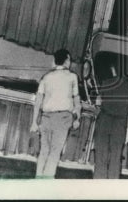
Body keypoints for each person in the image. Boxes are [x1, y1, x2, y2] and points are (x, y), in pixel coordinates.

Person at [31, 48, 82, 178]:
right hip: (63, 118)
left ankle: (38, 180)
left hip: (46, 117)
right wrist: (77, 118)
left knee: (44, 151)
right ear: (67, 60)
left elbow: (38, 100)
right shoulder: (72, 77)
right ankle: (47, 183)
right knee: (55, 152)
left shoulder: (46, 77)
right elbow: (76, 100)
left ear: (55, 61)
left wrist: (34, 122)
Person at [91, 54, 128, 178]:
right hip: (119, 123)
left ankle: (98, 181)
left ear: (115, 69)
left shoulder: (106, 82)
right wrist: (125, 111)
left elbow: (98, 102)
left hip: (104, 121)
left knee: (101, 154)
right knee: (116, 155)